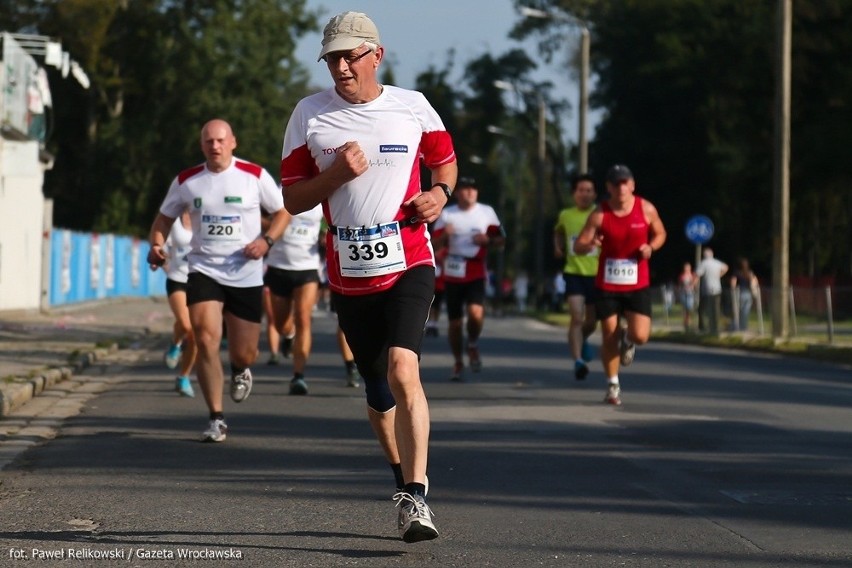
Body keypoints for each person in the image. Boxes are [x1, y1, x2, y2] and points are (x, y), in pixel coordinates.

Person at [280, 11, 457, 543]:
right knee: (379, 392)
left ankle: (417, 497)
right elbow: (291, 197)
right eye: (332, 58)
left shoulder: (412, 106)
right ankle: (400, 479)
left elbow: (445, 164)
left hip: (409, 259)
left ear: (376, 55)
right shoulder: (310, 115)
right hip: (350, 272)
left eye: (349, 56)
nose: (340, 67)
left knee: (406, 371)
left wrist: (440, 196)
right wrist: (335, 174)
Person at [147, 118, 288, 443]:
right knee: (206, 338)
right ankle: (216, 418)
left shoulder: (253, 176)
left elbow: (283, 212)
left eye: (221, 140)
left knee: (245, 352)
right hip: (204, 270)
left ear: (233, 142)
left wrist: (266, 241)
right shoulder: (187, 180)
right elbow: (164, 218)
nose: (215, 146)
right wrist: (157, 243)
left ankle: (240, 369)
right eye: (209, 141)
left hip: (245, 272)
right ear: (202, 145)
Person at [574, 164, 666, 406]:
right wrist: (591, 243)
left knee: (641, 335)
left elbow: (660, 234)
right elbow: (578, 246)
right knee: (608, 334)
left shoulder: (645, 209)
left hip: (637, 282)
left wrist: (651, 247)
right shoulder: (599, 214)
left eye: (625, 182)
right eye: (616, 183)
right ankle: (613, 384)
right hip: (608, 283)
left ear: (632, 185)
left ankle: (629, 339)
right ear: (609, 188)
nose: (621, 187)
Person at [432, 176, 505, 382]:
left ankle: (472, 343)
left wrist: (488, 240)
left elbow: (501, 240)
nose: (470, 192)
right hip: (454, 272)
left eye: (473, 189)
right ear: (457, 193)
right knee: (455, 324)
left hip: (475, 270)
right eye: (465, 189)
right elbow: (433, 244)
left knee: (475, 313)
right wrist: (445, 236)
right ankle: (457, 360)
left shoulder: (486, 213)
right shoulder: (447, 214)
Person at [264, 203, 325, 395]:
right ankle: (288, 335)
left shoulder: (321, 194)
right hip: (278, 266)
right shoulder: (277, 193)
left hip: (307, 267)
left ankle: (298, 375)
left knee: (303, 318)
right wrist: (273, 227)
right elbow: (258, 218)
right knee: (281, 323)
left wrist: (325, 237)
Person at [553, 174, 599, 380]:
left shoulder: (600, 214)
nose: (585, 194)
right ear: (574, 194)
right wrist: (557, 247)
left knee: (591, 321)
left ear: (595, 194)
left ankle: (584, 339)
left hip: (597, 274)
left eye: (589, 190)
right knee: (577, 317)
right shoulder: (566, 215)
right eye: (581, 190)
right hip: (573, 271)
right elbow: (558, 232)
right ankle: (578, 361)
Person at [160, 209, 197, 397]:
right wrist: (160, 259)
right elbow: (164, 248)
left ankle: (184, 376)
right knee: (185, 324)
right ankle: (175, 344)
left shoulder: (205, 216)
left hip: (200, 281)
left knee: (196, 334)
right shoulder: (174, 221)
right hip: (177, 279)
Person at [695, 247, 728, 335]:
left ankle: (703, 327)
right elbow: (726, 267)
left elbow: (697, 275)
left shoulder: (703, 263)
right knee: (715, 309)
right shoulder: (716, 263)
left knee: (702, 309)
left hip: (707, 290)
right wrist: (719, 275)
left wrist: (693, 285)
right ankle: (715, 327)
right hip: (717, 289)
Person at [731, 257, 758, 331]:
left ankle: (735, 326)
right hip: (748, 293)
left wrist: (733, 290)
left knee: (737, 311)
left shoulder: (737, 273)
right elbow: (755, 281)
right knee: (745, 311)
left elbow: (733, 283)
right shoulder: (750, 273)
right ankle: (744, 327)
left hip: (739, 293)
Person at [677, 262, 698, 332]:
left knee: (689, 308)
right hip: (683, 293)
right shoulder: (682, 276)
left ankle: (689, 322)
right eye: (685, 268)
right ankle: (686, 323)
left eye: (688, 267)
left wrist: (693, 282)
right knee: (685, 309)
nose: (686, 269)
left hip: (690, 294)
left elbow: (695, 282)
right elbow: (680, 285)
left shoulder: (692, 275)